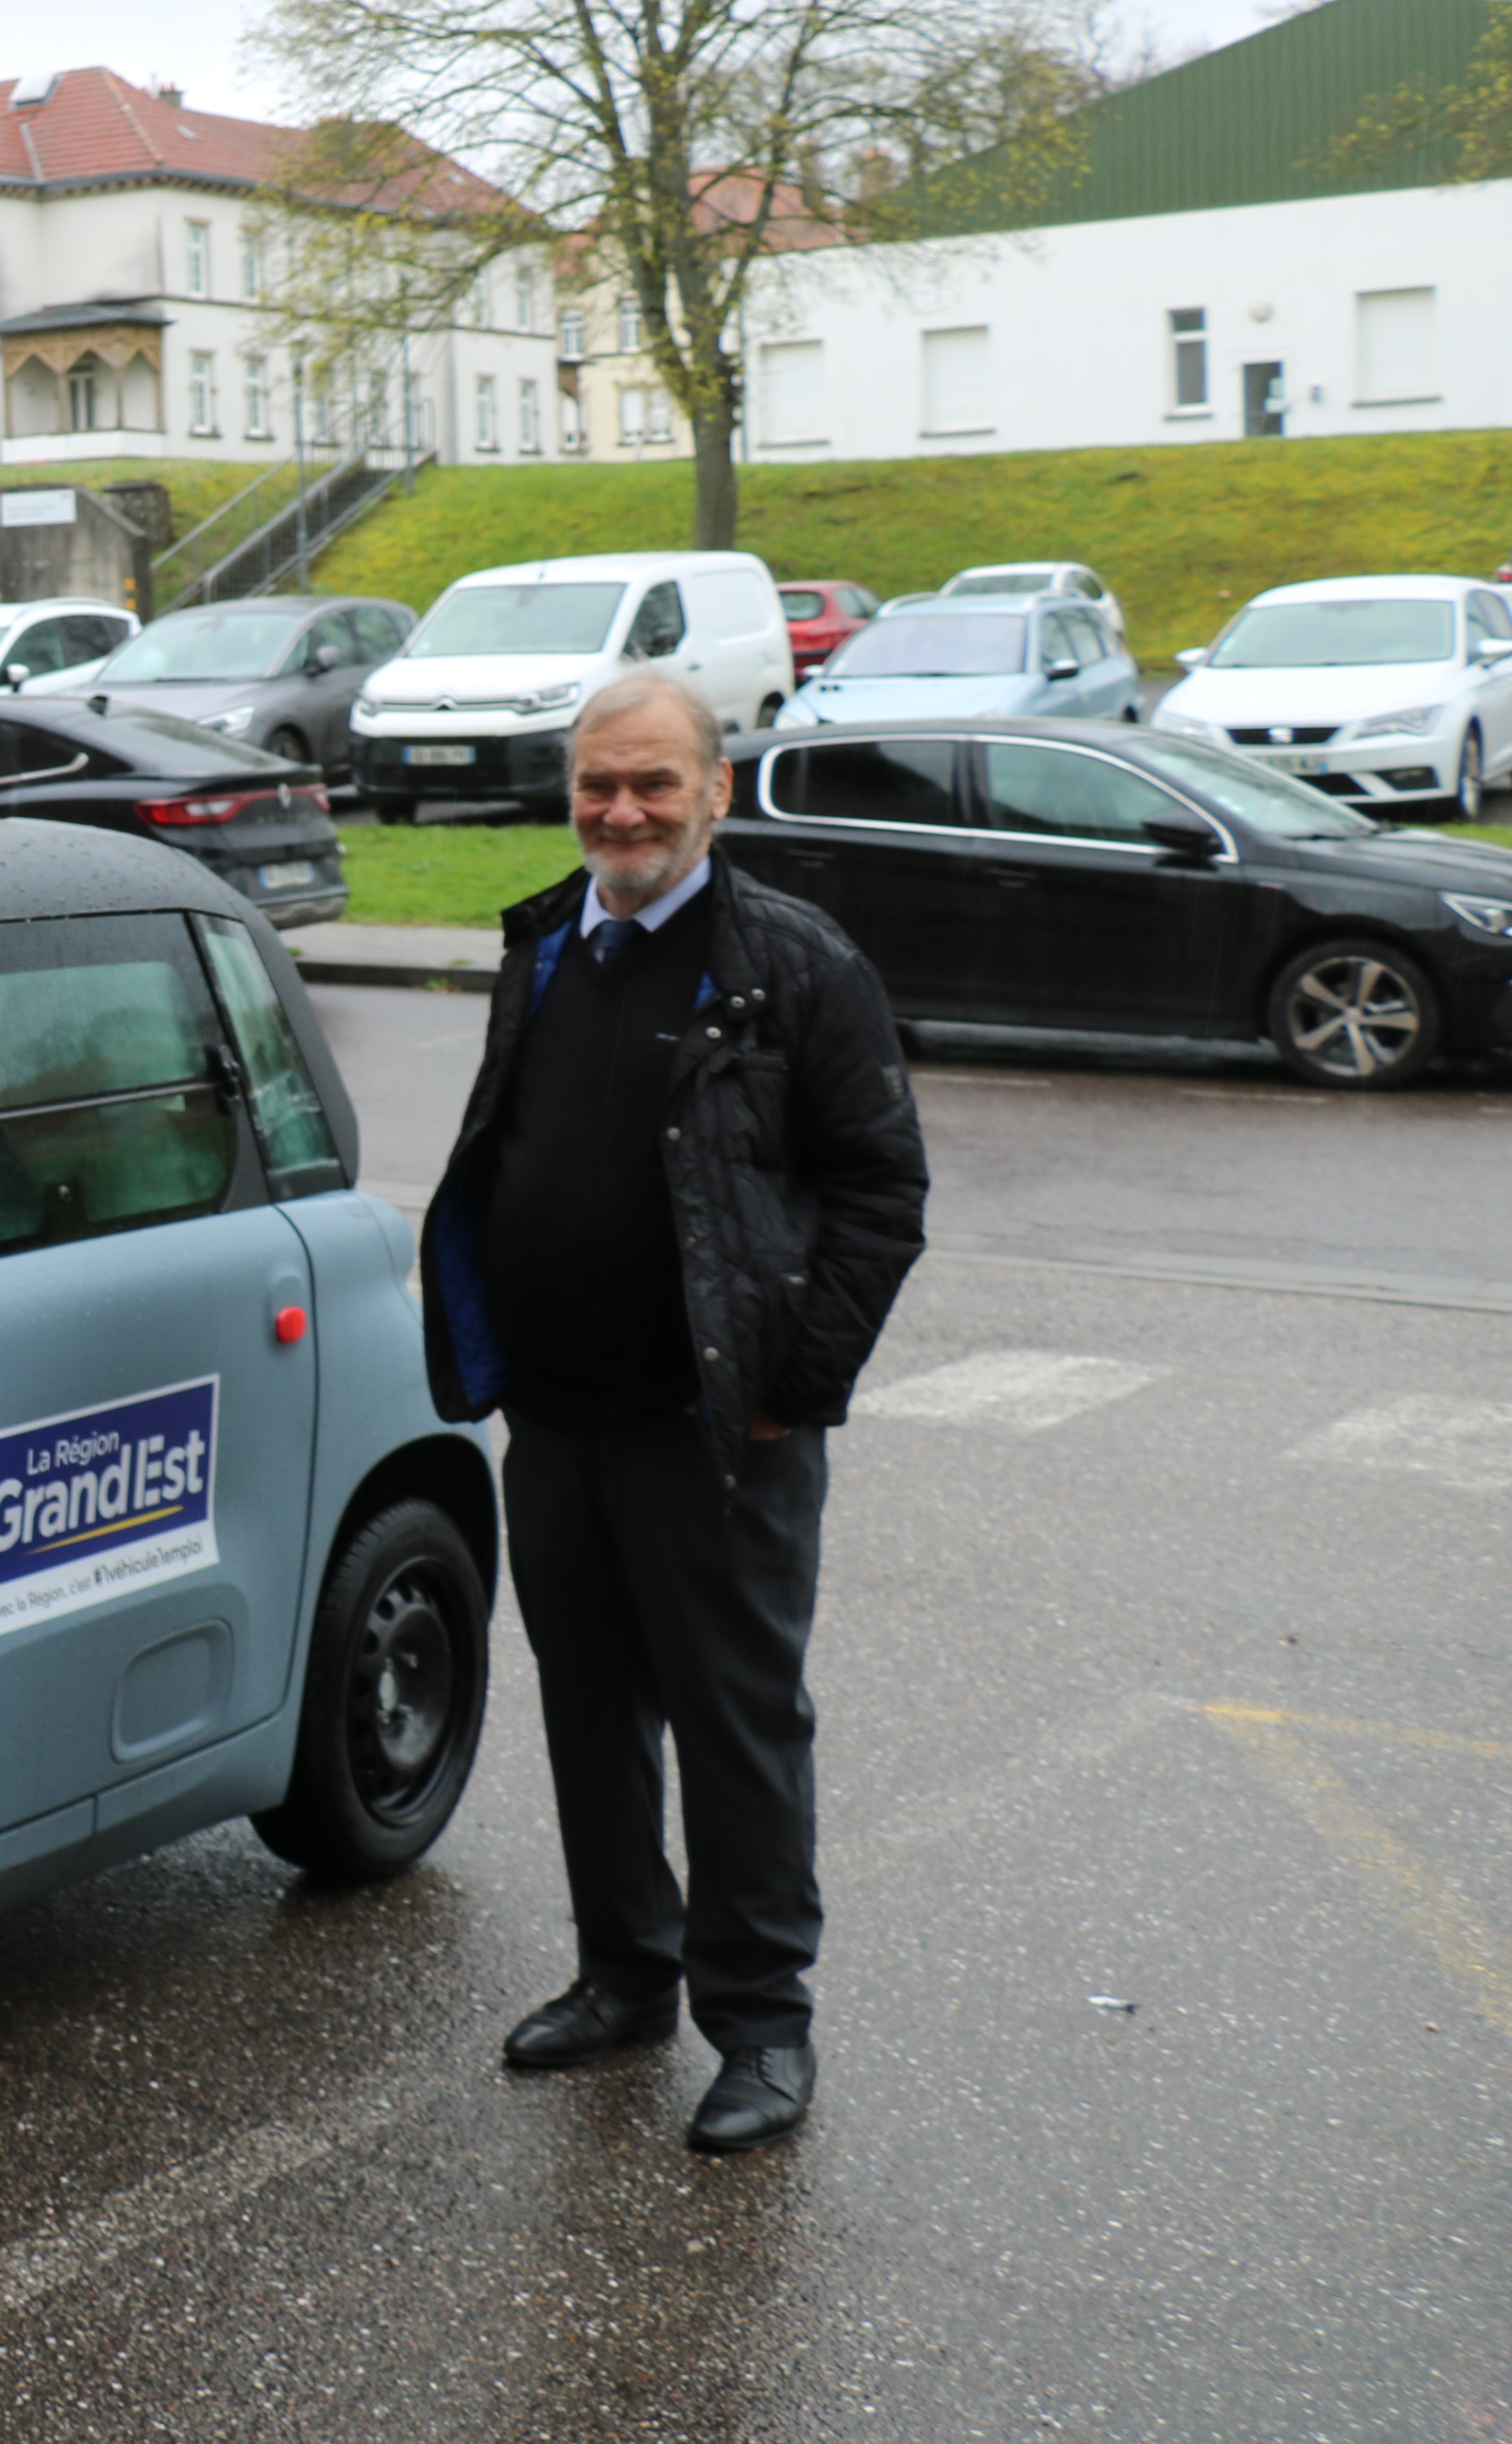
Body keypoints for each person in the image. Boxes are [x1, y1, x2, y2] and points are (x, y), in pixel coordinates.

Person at [419, 670, 928, 2154]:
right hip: (559, 1423)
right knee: (588, 1712)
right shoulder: (546, 943)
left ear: (716, 788)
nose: (621, 811)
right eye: (596, 784)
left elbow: (883, 1188)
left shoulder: (791, 961)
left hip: (719, 1433)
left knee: (737, 1723)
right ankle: (626, 1973)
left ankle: (762, 2025)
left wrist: (797, 1386)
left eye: (652, 783)